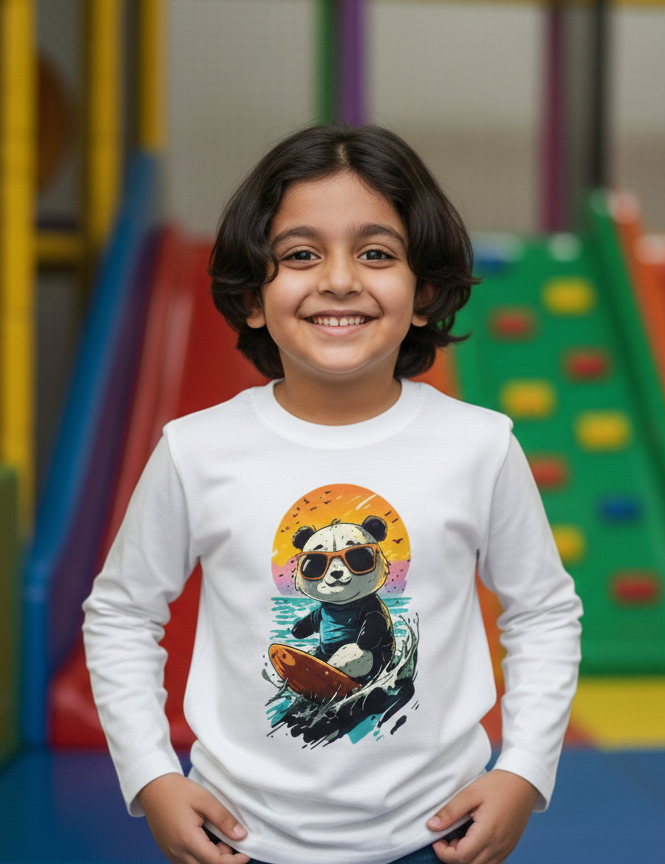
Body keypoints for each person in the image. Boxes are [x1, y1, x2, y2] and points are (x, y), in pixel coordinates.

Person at [83, 124, 582, 864]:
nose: (340, 279)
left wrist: (524, 771)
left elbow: (543, 612)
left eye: (376, 253)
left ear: (426, 294)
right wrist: (152, 776)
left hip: (436, 834)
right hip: (240, 838)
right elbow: (121, 614)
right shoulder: (196, 451)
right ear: (254, 297)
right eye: (300, 254)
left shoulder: (480, 446)